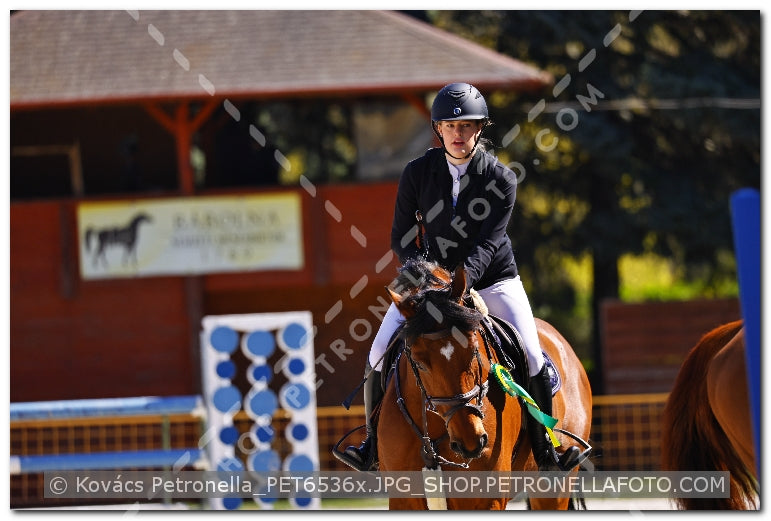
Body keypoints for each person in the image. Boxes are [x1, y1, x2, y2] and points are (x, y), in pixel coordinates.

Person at [344, 82, 580, 473]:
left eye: (467, 126)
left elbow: (488, 244)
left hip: (492, 277)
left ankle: (546, 449)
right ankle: (371, 445)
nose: (458, 134)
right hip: (425, 276)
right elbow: (401, 237)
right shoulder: (416, 173)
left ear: (480, 129)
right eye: (450, 126)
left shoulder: (501, 179)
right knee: (377, 349)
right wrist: (429, 278)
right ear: (438, 129)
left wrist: (462, 282)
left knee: (533, 355)